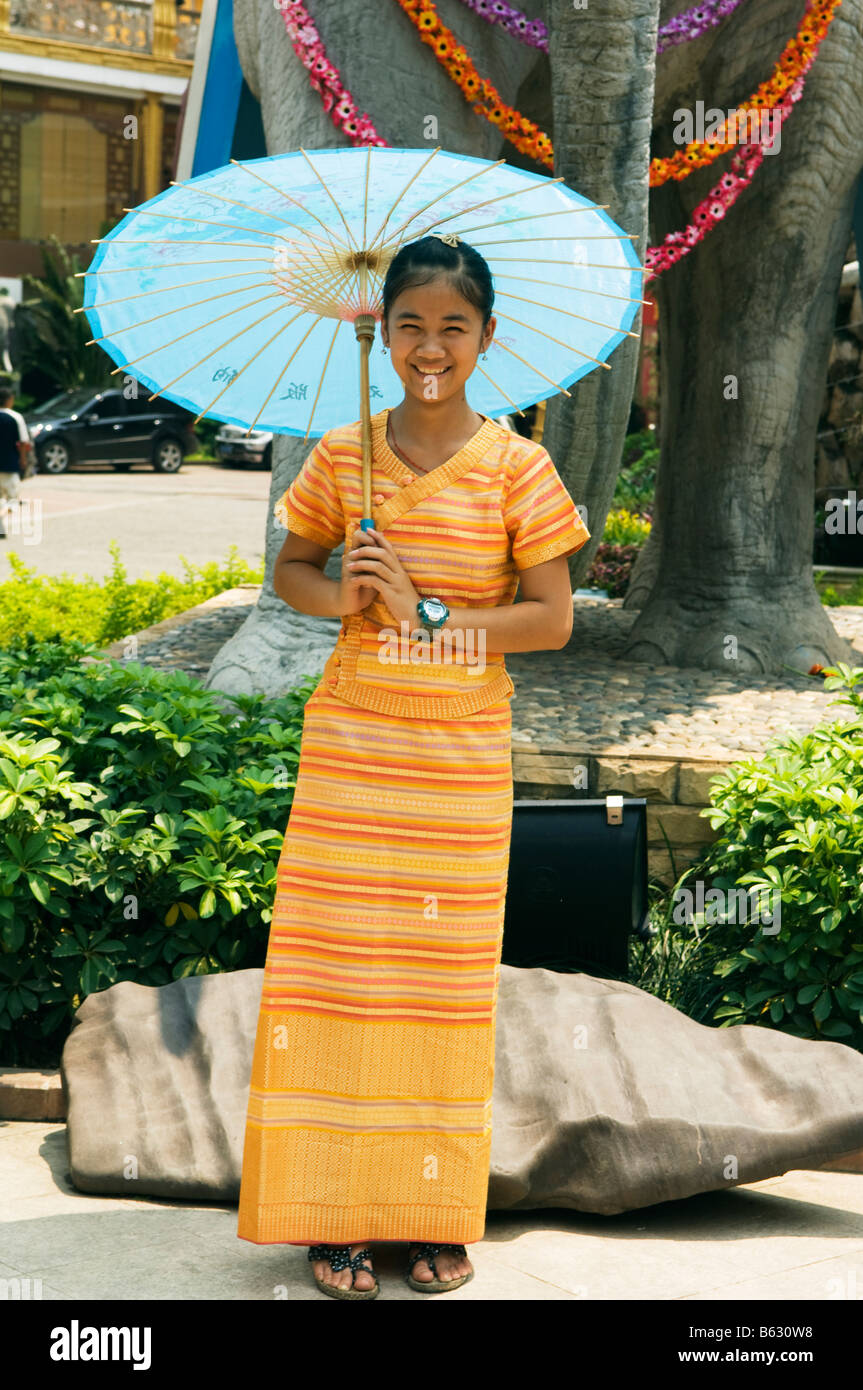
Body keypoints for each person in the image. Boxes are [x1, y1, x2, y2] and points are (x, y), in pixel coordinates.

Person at [236, 233, 591, 1299]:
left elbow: (552, 620)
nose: (428, 347)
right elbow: (290, 570)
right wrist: (339, 594)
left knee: (437, 991)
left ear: (487, 338)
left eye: (452, 328)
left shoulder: (519, 465)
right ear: (377, 331)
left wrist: (428, 609)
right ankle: (330, 1212)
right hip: (351, 747)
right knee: (336, 979)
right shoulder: (342, 458)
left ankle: (434, 1213)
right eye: (409, 325)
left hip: (455, 758)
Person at [0, 385, 32, 540]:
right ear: (9, 400)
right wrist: (23, 460)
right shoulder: (15, 417)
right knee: (13, 500)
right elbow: (23, 442)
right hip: (9, 465)